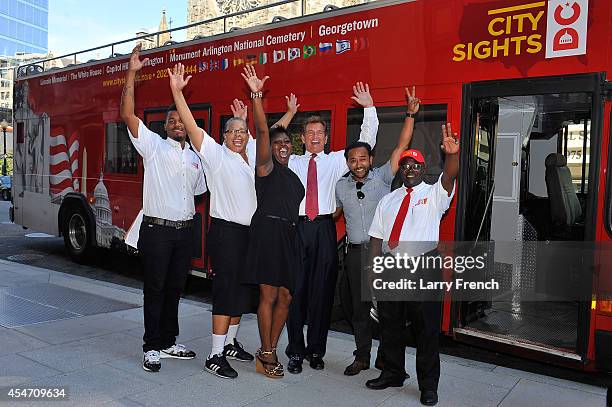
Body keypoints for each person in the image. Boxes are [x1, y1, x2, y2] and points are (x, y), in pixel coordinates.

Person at [167, 62, 297, 379]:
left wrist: (288, 115)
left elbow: (270, 131)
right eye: (232, 131)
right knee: (226, 292)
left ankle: (230, 343)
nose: (238, 135)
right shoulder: (213, 153)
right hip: (226, 233)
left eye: (242, 131)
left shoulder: (252, 153)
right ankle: (214, 354)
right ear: (223, 136)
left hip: (251, 235)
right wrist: (177, 93)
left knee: (242, 292)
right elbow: (191, 125)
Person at [120, 44, 207, 372]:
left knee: (175, 288)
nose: (176, 124)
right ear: (166, 126)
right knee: (154, 288)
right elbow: (128, 114)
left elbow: (199, 193)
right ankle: (151, 345)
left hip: (185, 232)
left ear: (187, 124)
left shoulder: (197, 157)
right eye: (171, 120)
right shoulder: (153, 147)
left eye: (180, 120)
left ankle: (169, 341)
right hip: (157, 231)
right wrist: (132, 72)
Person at [286, 82, 379, 374]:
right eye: (309, 133)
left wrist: (369, 108)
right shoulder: (292, 162)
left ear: (326, 138)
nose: (315, 137)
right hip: (297, 231)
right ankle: (295, 351)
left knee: (322, 294)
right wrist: (288, 114)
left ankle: (316, 351)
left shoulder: (337, 161)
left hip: (325, 231)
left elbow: (366, 143)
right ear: (302, 138)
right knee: (296, 293)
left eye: (319, 133)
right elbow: (270, 140)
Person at [365, 124, 460, 406]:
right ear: (401, 169)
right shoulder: (388, 200)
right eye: (405, 165)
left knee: (426, 330)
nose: (409, 169)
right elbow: (375, 239)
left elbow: (450, 176)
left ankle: (428, 385)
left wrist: (452, 155)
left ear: (423, 169)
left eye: (415, 166)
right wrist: (372, 272)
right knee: (390, 326)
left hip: (423, 267)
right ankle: (393, 372)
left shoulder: (434, 195)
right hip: (392, 268)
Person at [334, 87, 420, 376]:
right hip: (356, 254)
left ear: (370, 159)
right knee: (359, 311)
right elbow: (335, 213)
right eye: (352, 160)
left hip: (382, 255)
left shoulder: (383, 176)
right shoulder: (341, 185)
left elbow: (402, 145)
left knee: (387, 311)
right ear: (348, 163)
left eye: (362, 159)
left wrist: (410, 113)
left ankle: (387, 359)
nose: (358, 164)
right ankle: (362, 357)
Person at [240, 65, 305, 378]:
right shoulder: (264, 168)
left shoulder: (294, 177)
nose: (282, 146)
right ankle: (267, 352)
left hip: (289, 236)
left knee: (286, 296)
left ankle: (270, 346)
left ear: (292, 147)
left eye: (287, 143)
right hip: (267, 232)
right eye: (277, 143)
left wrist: (289, 116)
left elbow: (275, 131)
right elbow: (265, 131)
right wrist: (256, 95)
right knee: (268, 295)